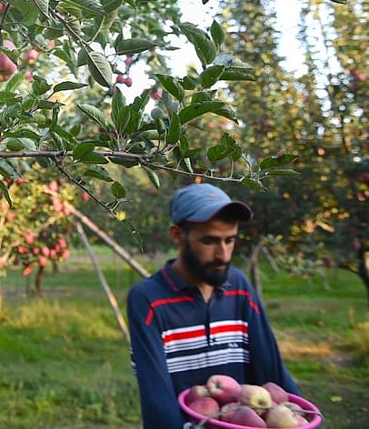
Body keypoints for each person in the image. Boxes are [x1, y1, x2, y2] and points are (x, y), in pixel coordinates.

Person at [126, 183, 300, 428]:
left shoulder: (239, 287)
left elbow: (272, 371)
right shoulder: (149, 300)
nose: (223, 254)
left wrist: (300, 416)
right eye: (210, 241)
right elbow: (157, 401)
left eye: (230, 240)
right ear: (177, 235)